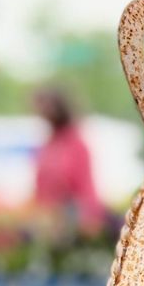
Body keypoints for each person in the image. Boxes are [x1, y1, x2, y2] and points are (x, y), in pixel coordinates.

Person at [32, 88, 105, 233]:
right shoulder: (49, 144)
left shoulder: (75, 143)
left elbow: (86, 185)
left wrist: (91, 218)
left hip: (72, 218)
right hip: (51, 219)